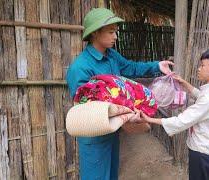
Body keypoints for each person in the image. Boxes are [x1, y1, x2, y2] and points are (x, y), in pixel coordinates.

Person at [66, 8, 173, 180]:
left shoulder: (111, 56)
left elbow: (131, 67)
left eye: (115, 31)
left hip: (112, 129)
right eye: (110, 32)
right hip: (94, 136)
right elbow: (83, 108)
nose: (115, 36)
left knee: (112, 174)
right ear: (94, 34)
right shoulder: (80, 68)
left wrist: (157, 66)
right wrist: (124, 112)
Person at [140, 48, 209, 180]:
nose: (199, 69)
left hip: (202, 153)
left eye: (202, 66)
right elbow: (201, 96)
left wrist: (150, 119)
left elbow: (181, 121)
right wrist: (184, 84)